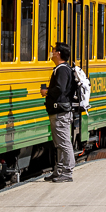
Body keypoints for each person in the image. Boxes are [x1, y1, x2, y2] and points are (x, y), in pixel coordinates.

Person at [43, 44, 78, 182]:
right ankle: (59, 171)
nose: (51, 53)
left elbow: (60, 88)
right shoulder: (62, 69)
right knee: (59, 143)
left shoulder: (62, 70)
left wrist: (47, 92)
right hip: (59, 112)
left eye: (53, 51)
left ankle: (67, 173)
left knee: (64, 143)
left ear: (58, 53)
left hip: (60, 113)